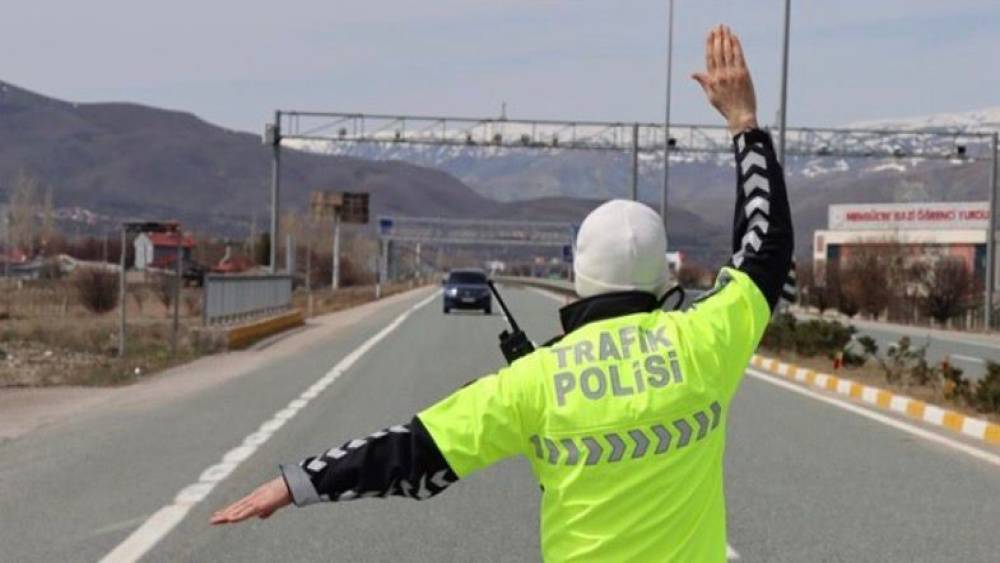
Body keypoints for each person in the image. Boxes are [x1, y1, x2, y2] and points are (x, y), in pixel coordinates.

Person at [212, 24, 793, 562]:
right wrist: (744, 123)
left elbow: (413, 454)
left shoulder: (535, 381)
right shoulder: (704, 343)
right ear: (663, 281)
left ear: (578, 279)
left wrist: (301, 481)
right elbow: (764, 249)